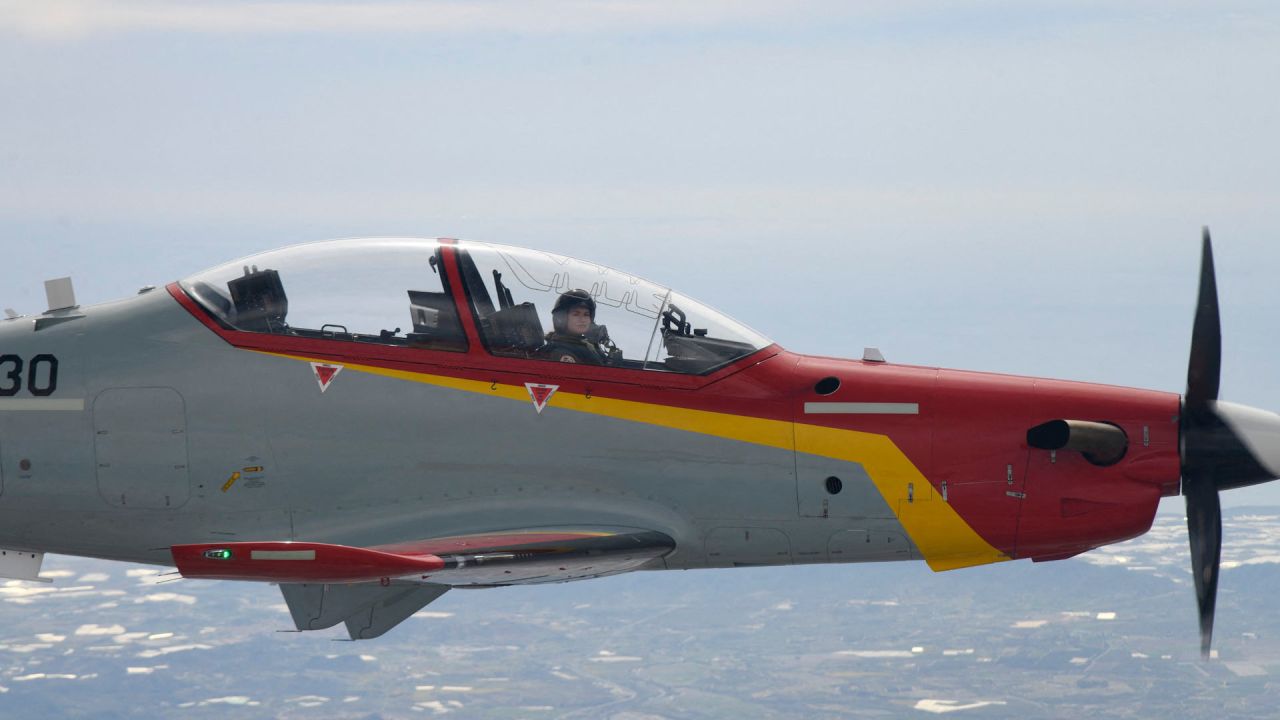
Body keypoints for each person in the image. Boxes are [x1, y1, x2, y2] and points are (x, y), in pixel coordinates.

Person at [538, 289, 607, 364]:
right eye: (576, 314)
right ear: (561, 318)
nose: (582, 319)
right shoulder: (559, 352)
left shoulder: (588, 347)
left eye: (586, 314)